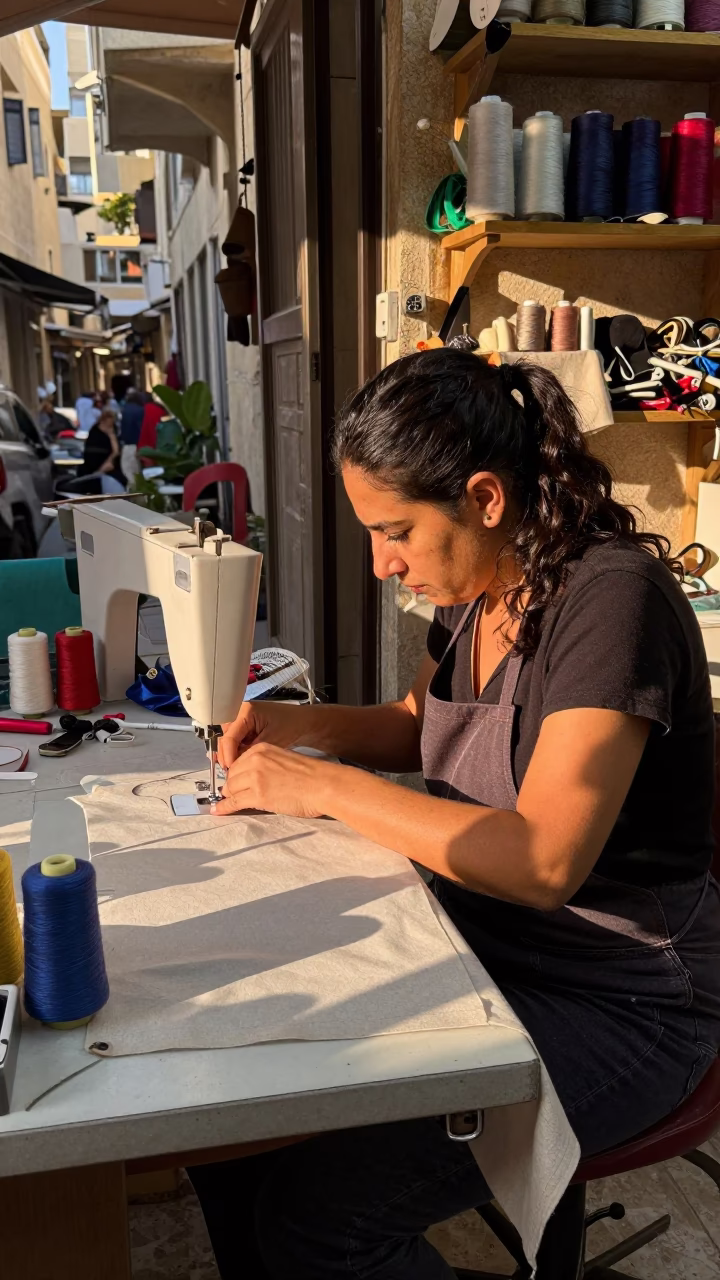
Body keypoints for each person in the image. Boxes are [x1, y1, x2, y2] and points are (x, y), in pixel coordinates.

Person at [187, 349, 720, 1280]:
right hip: (492, 944)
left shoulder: (609, 601)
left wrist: (321, 786)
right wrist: (293, 724)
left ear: (482, 498)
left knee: (317, 1223)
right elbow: (419, 725)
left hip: (627, 994)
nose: (385, 565)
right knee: (234, 1130)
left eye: (395, 531)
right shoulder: (483, 592)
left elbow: (542, 860)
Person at [78, 406, 124, 485]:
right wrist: (101, 469)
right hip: (93, 469)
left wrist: (111, 435)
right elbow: (90, 453)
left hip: (109, 469)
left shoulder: (112, 431)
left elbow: (116, 451)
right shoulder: (95, 433)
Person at [118, 389, 145, 486]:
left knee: (128, 472)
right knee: (137, 472)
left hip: (127, 444)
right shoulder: (141, 410)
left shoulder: (124, 409)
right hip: (137, 443)